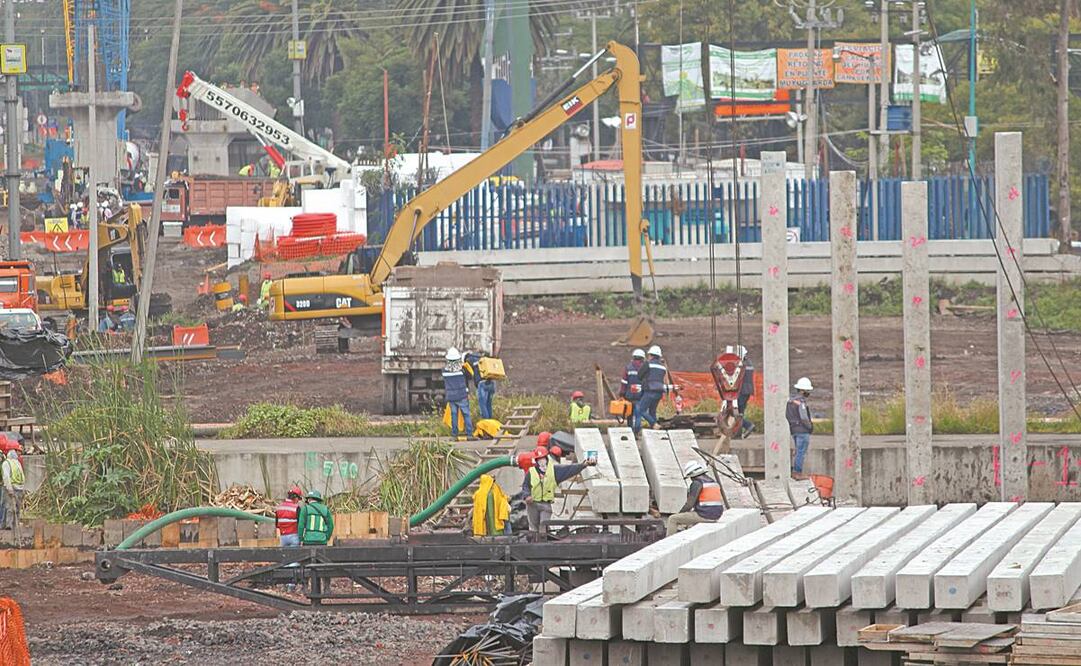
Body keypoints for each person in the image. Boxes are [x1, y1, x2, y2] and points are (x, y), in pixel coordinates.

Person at [521, 434, 596, 534]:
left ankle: (544, 543)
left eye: (543, 459)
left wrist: (583, 465)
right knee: (533, 529)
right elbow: (525, 486)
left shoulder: (554, 471)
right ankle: (534, 544)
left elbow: (569, 470)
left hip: (546, 505)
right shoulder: (531, 472)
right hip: (532, 505)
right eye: (539, 459)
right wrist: (526, 496)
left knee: (544, 526)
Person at [665, 460, 723, 537]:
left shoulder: (697, 483)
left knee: (673, 519)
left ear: (692, 475)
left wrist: (680, 513)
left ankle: (668, 542)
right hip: (716, 515)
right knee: (690, 517)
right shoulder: (713, 482)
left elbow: (689, 504)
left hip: (705, 516)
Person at [636, 345, 678, 432]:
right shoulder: (662, 367)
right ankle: (655, 431)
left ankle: (654, 424)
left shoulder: (648, 364)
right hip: (659, 392)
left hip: (649, 391)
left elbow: (639, 375)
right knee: (652, 411)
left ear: (651, 355)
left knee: (641, 409)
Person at [442, 347, 474, 441]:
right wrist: (463, 364)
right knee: (466, 414)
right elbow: (470, 376)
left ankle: (454, 435)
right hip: (462, 395)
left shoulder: (444, 371)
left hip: (451, 397)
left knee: (454, 415)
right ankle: (469, 435)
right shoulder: (462, 370)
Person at [787, 377, 815, 474]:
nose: (808, 393)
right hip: (802, 431)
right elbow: (804, 417)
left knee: (798, 451)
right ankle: (797, 472)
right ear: (802, 391)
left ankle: (796, 471)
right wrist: (810, 427)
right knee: (801, 452)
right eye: (807, 391)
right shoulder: (801, 402)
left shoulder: (790, 401)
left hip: (794, 430)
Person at [465, 351, 495, 420]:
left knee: (483, 405)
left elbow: (468, 375)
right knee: (488, 404)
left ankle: (486, 423)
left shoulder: (469, 360)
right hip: (491, 383)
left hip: (482, 384)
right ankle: (491, 422)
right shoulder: (482, 357)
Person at [621, 348, 645, 429]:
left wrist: (622, 393)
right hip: (640, 396)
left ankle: (630, 431)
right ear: (642, 358)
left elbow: (624, 382)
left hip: (629, 396)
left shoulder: (628, 368)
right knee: (638, 415)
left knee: (629, 415)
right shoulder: (645, 368)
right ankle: (637, 432)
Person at [1, 450, 25, 530]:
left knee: (14, 508)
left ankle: (14, 524)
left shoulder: (13, 463)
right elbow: (6, 477)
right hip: (14, 488)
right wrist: (10, 489)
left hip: (16, 488)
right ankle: (9, 525)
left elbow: (20, 475)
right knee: (11, 508)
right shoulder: (10, 463)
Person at [737, 346, 756, 438]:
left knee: (736, 413)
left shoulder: (742, 364)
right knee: (741, 411)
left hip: (742, 390)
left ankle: (747, 425)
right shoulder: (749, 362)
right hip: (748, 390)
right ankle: (739, 431)